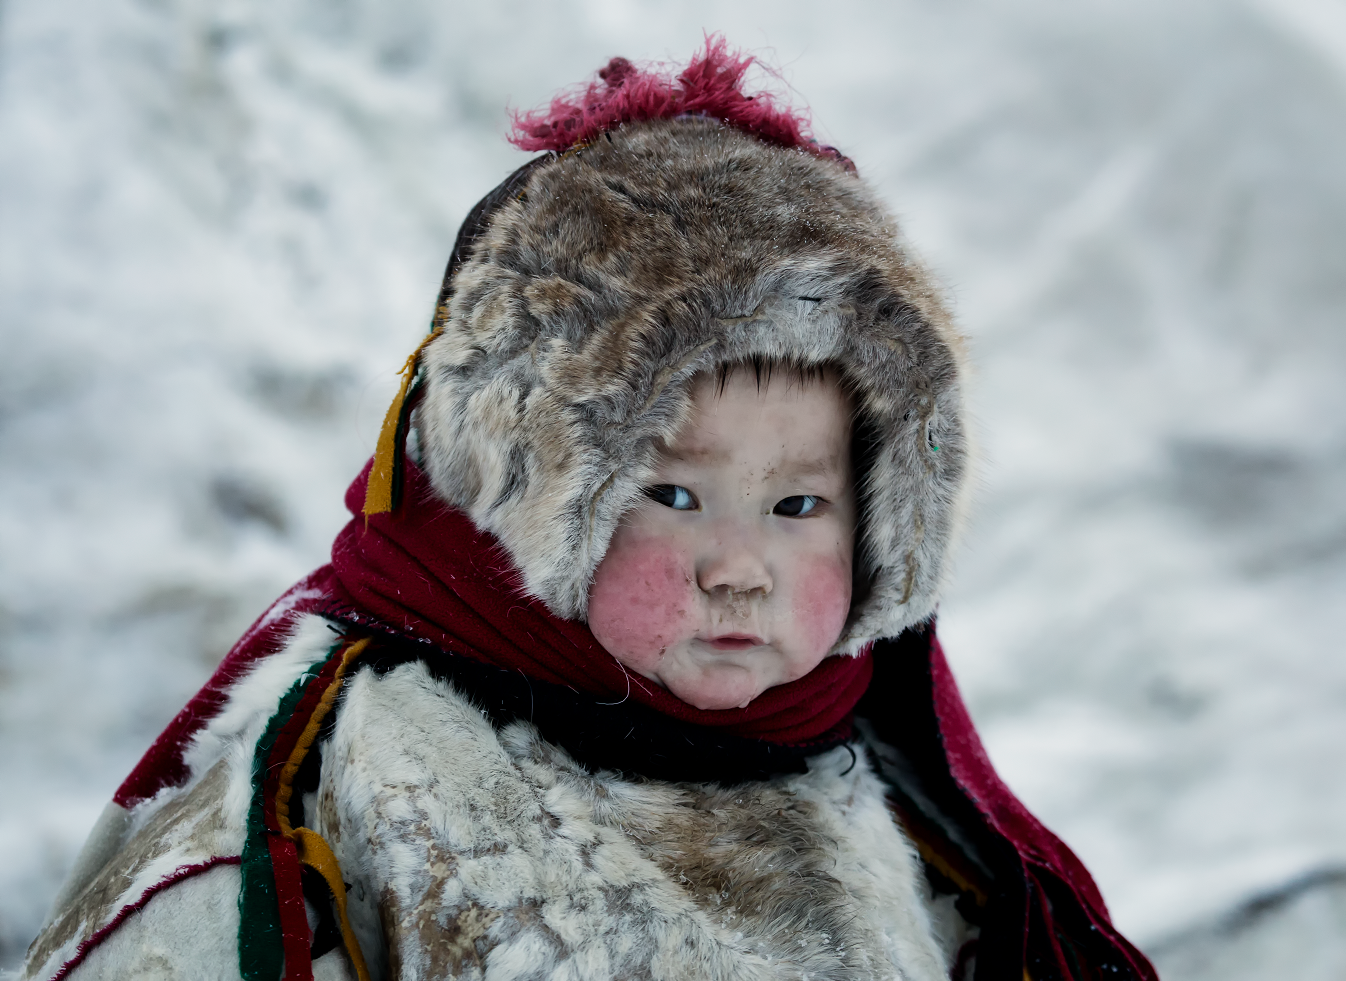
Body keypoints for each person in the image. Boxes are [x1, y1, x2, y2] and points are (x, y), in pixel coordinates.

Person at [20, 39, 1157, 981]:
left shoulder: (912, 799)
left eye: (798, 504)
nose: (739, 567)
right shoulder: (338, 777)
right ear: (525, 486)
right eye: (671, 494)